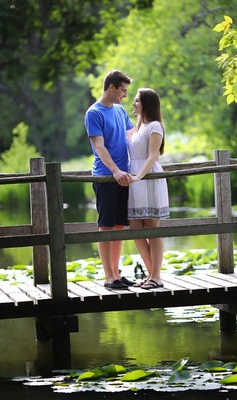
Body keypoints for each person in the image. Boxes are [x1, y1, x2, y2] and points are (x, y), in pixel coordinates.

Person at [84, 70, 135, 290]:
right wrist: (114, 171)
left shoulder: (121, 111)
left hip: (124, 176)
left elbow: (132, 136)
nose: (125, 95)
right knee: (106, 227)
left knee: (119, 226)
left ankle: (117, 273)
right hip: (106, 177)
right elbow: (99, 147)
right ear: (111, 87)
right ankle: (108, 277)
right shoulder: (94, 113)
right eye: (123, 90)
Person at [127, 88, 170, 289]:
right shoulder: (137, 128)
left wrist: (138, 177)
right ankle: (153, 274)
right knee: (135, 229)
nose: (133, 104)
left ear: (147, 103)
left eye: (136, 101)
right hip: (135, 178)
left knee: (152, 229)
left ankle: (156, 277)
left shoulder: (155, 126)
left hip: (149, 176)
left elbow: (153, 156)